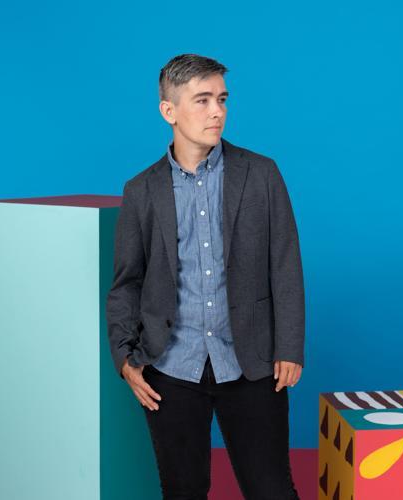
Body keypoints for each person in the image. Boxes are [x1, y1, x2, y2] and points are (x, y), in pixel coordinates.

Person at [106, 53, 305, 500]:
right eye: (202, 100)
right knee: (183, 490)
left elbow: (285, 264)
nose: (217, 111)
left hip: (253, 363)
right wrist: (124, 358)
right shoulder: (141, 190)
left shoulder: (261, 174)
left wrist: (289, 347)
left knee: (271, 489)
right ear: (169, 111)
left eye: (222, 99)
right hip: (170, 367)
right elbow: (126, 284)